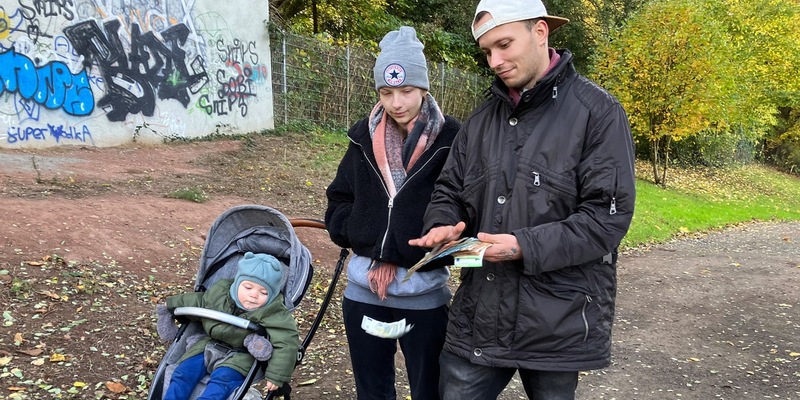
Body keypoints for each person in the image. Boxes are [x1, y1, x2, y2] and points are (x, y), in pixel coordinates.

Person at [408, 0, 637, 398]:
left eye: (504, 45)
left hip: (558, 324)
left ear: (541, 32)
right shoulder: (480, 121)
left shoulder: (597, 112)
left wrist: (523, 246)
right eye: (487, 52)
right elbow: (449, 190)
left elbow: (606, 219)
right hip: (479, 317)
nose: (494, 60)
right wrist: (441, 223)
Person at [324, 26, 461, 400]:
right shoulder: (361, 139)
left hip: (424, 298)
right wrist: (355, 233)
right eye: (386, 93)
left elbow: (465, 206)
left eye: (406, 91)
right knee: (372, 392)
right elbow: (338, 198)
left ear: (424, 89)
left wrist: (411, 248)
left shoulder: (454, 140)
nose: (397, 102)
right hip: (364, 293)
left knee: (429, 391)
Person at [155, 252, 301, 399]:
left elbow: (286, 341)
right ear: (237, 283)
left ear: (273, 294)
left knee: (221, 384)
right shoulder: (220, 293)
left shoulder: (274, 311)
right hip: (207, 346)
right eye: (248, 287)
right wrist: (171, 305)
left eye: (263, 292)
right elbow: (198, 301)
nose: (254, 295)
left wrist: (276, 375)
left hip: (240, 357)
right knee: (183, 373)